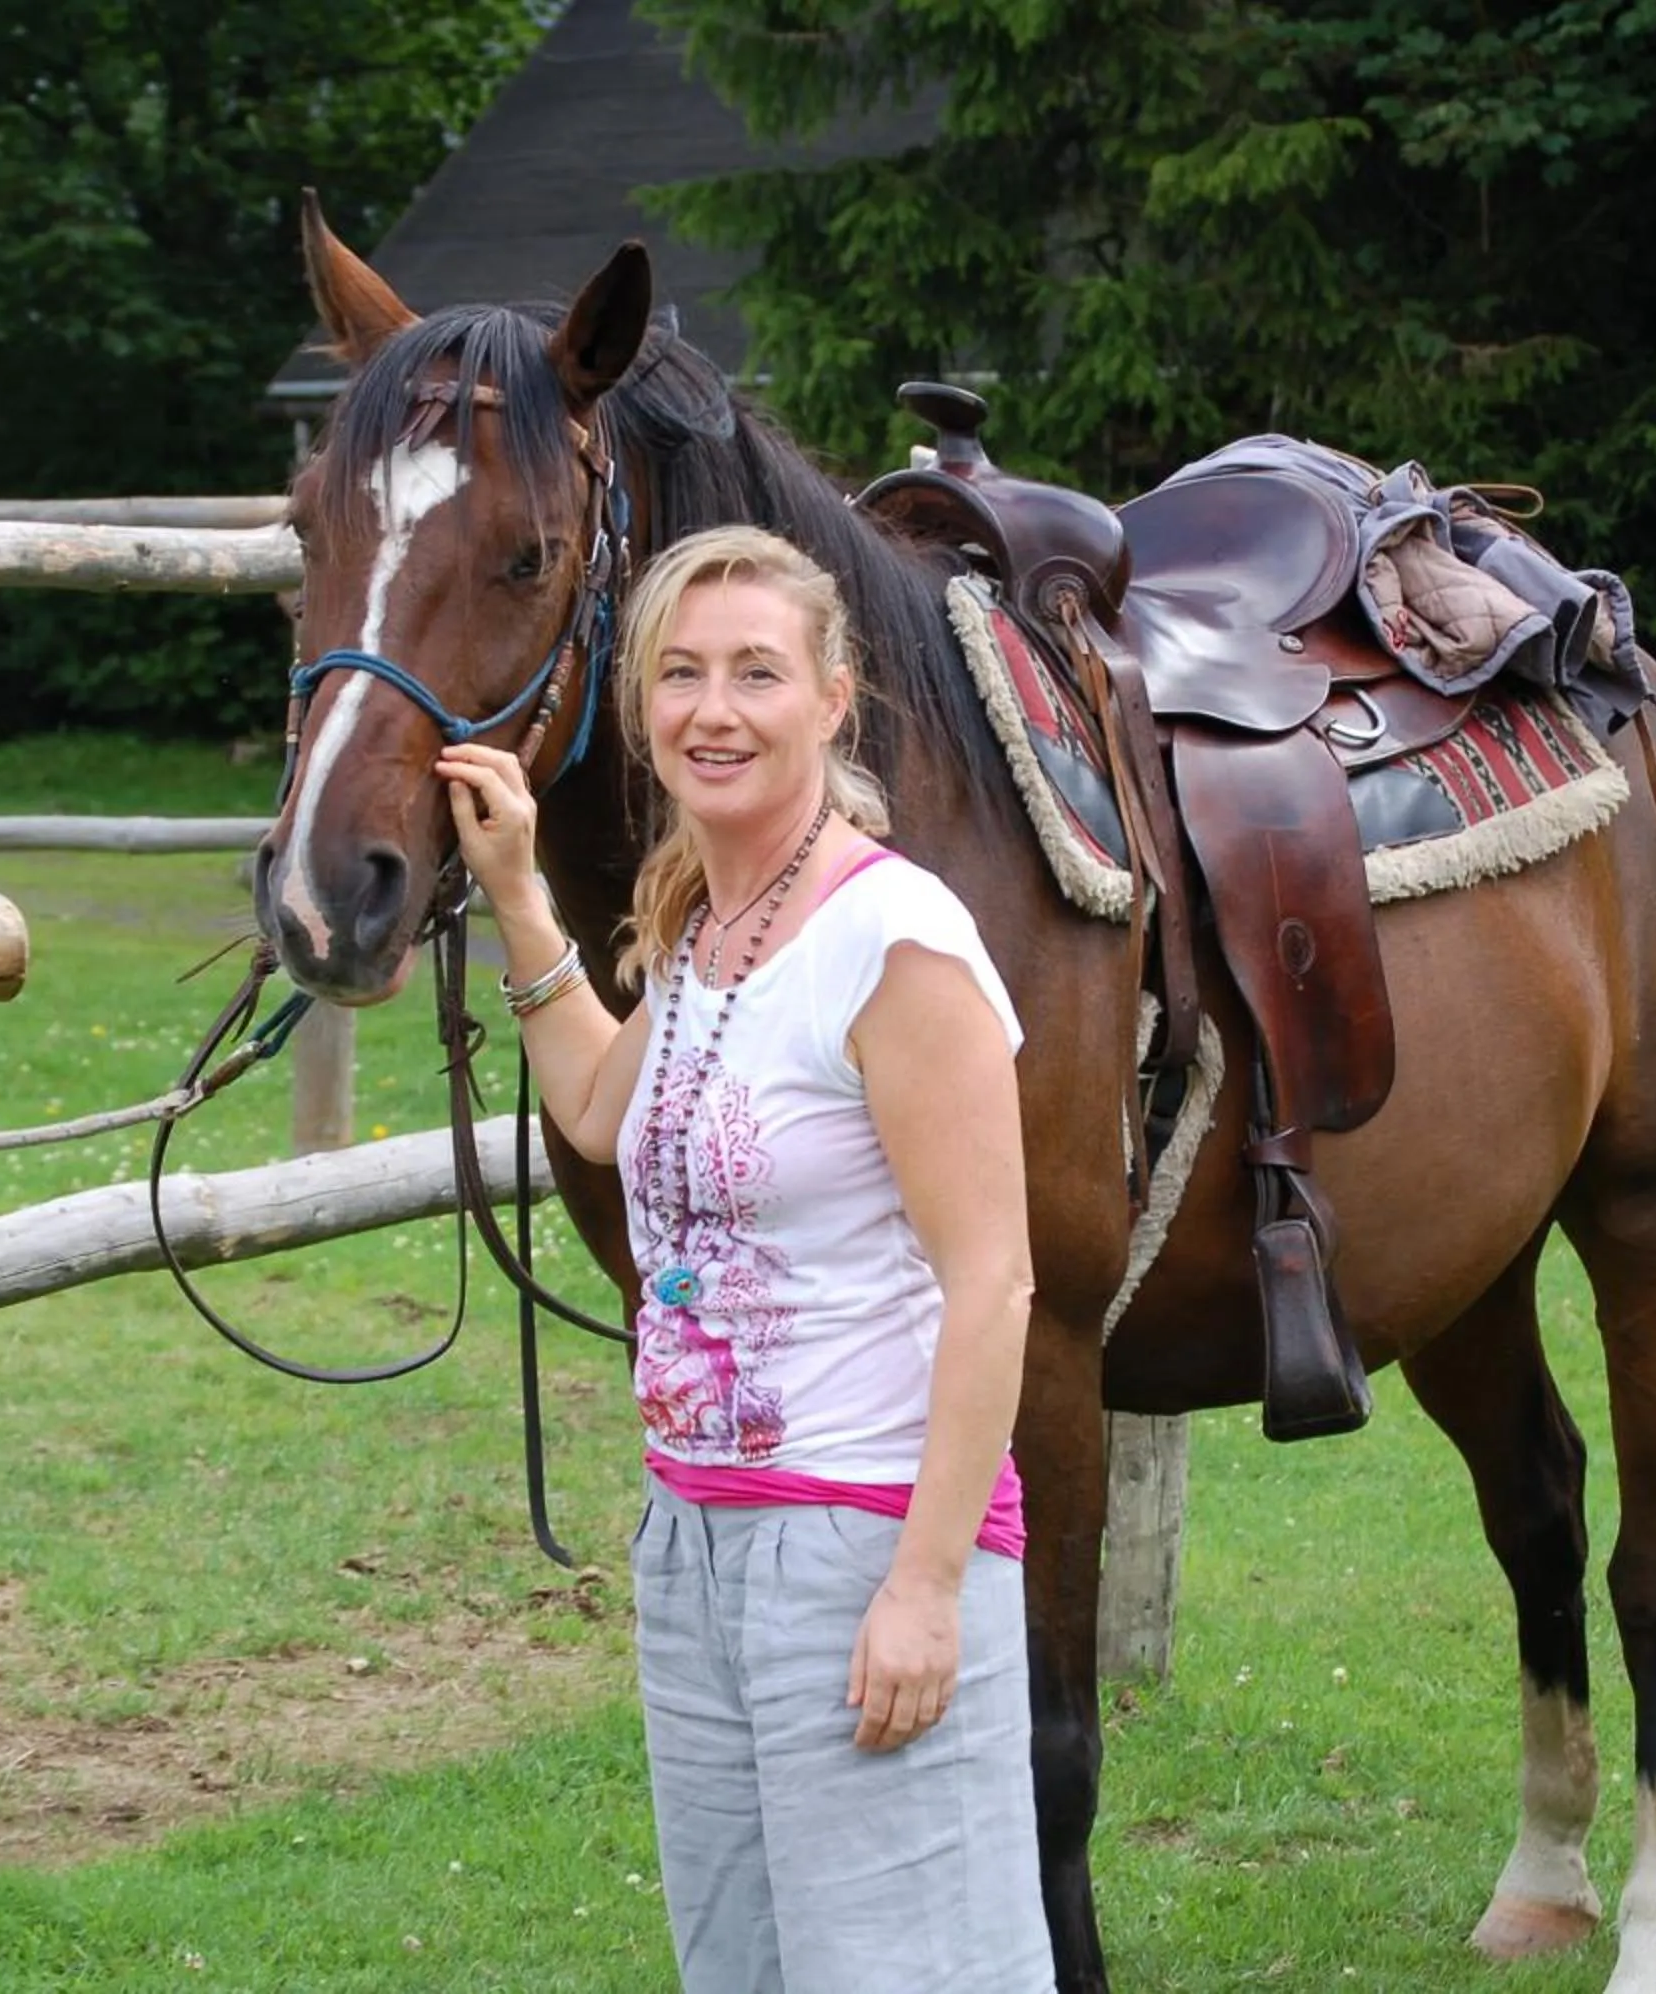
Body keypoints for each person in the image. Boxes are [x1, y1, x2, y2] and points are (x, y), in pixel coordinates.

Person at [436, 523, 1055, 1993]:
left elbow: (997, 1282)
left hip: (859, 1535)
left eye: (758, 672)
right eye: (682, 673)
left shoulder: (893, 940)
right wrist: (523, 891)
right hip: (693, 1539)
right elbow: (596, 1105)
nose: (715, 709)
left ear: (834, 698)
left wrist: (923, 1583)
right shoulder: (712, 924)